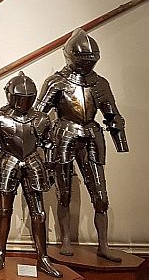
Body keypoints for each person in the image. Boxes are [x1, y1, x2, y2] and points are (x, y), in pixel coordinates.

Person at [34, 28, 128, 262]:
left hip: (92, 136)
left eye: (90, 59)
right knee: (64, 193)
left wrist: (120, 140)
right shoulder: (56, 82)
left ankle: (103, 244)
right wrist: (43, 145)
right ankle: (66, 239)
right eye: (83, 59)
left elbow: (112, 115)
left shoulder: (100, 83)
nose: (86, 64)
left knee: (101, 196)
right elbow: (39, 116)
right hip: (64, 136)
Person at [0, 72, 61, 277]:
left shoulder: (41, 119)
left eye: (27, 98)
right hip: (8, 162)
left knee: (39, 214)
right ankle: (0, 252)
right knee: (4, 212)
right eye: (19, 97)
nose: (22, 102)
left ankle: (43, 258)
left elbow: (49, 144)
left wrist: (50, 167)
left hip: (33, 162)